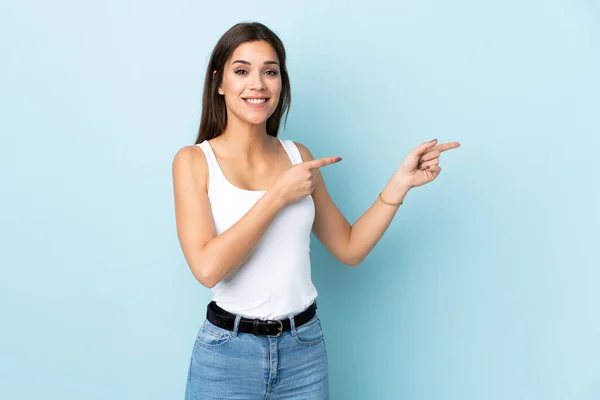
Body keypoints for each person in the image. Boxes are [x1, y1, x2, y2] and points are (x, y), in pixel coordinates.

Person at [172, 21, 460, 400]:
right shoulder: (194, 161)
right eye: (241, 71)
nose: (257, 84)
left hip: (303, 352)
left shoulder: (298, 157)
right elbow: (207, 268)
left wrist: (401, 182)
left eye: (270, 72)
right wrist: (276, 196)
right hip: (227, 356)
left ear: (281, 83)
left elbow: (350, 247)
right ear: (220, 83)